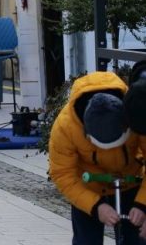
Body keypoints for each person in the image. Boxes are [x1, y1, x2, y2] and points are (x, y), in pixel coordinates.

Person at [49, 71, 146, 245]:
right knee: (86, 240)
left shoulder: (138, 111)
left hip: (131, 180)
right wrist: (95, 206)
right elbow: (62, 174)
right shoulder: (65, 127)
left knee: (137, 239)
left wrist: (142, 204)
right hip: (87, 186)